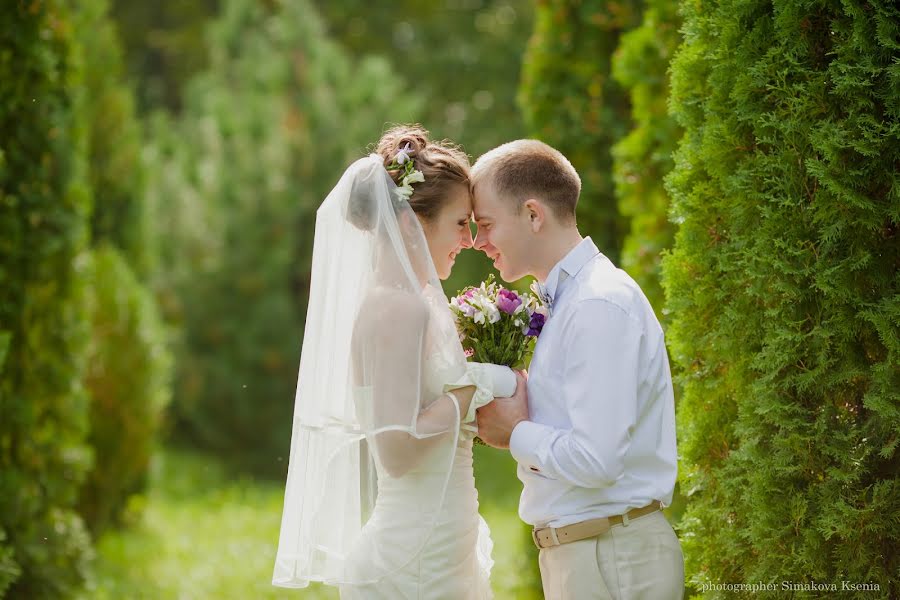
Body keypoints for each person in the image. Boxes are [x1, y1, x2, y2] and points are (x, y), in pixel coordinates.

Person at [272, 125, 515, 599]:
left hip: (439, 551)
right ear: (410, 223)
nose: (468, 240)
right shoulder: (397, 307)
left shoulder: (411, 300)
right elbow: (398, 450)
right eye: (459, 223)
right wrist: (477, 385)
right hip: (412, 565)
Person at [471, 139, 685, 600]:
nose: (477, 242)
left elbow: (598, 459)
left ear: (533, 214)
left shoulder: (597, 304)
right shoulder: (567, 300)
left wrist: (516, 431)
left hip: (612, 555)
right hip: (590, 551)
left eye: (486, 224)